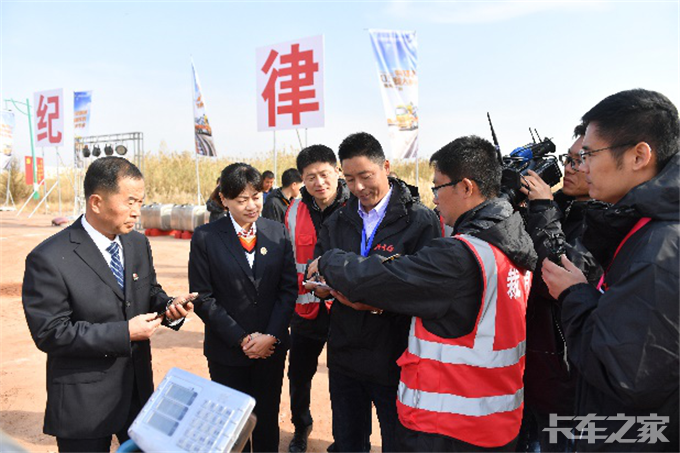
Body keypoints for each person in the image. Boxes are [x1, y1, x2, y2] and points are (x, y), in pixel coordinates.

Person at [309, 135, 538, 452]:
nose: (434, 198)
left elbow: (389, 281)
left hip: (450, 422)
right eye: (349, 179)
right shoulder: (511, 239)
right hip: (488, 416)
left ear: (466, 187)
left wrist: (332, 261)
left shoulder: (458, 254)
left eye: (438, 187)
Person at [22, 156, 195, 453]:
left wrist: (169, 306)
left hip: (137, 396)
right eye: (129, 203)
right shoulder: (49, 258)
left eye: (140, 203)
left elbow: (148, 290)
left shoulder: (137, 244)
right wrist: (124, 332)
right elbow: (51, 332)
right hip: (85, 404)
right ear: (96, 202)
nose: (137, 213)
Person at [542, 89, 679, 451]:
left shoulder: (658, 247)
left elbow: (627, 376)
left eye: (588, 154)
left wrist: (574, 296)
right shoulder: (640, 228)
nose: (580, 167)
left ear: (639, 156)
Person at [309, 132, 441, 452]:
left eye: (366, 176)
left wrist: (376, 301)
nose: (358, 188)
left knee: (398, 442)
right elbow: (319, 266)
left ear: (387, 167)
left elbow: (424, 288)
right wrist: (324, 289)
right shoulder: (339, 219)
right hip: (345, 352)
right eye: (350, 178)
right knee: (349, 440)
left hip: (395, 357)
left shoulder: (419, 221)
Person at [189, 163, 297, 453]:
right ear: (224, 199)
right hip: (227, 350)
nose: (252, 206)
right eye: (242, 200)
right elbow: (203, 297)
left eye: (256, 196)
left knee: (266, 421)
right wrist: (242, 339)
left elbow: (288, 290)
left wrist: (271, 335)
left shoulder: (276, 232)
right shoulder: (206, 237)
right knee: (231, 426)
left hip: (270, 349)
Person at [516, 125, 604, 452]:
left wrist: (542, 208)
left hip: (567, 378)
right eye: (566, 160)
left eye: (580, 161)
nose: (569, 168)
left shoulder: (602, 220)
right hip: (528, 368)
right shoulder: (555, 208)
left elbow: (561, 272)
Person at [284, 145, 350, 453]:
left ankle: (344, 437)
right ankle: (302, 426)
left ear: (337, 172)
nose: (319, 182)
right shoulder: (294, 210)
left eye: (324, 174)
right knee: (298, 374)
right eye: (310, 177)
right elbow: (288, 261)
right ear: (301, 180)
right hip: (306, 310)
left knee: (344, 378)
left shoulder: (356, 205)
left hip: (347, 309)